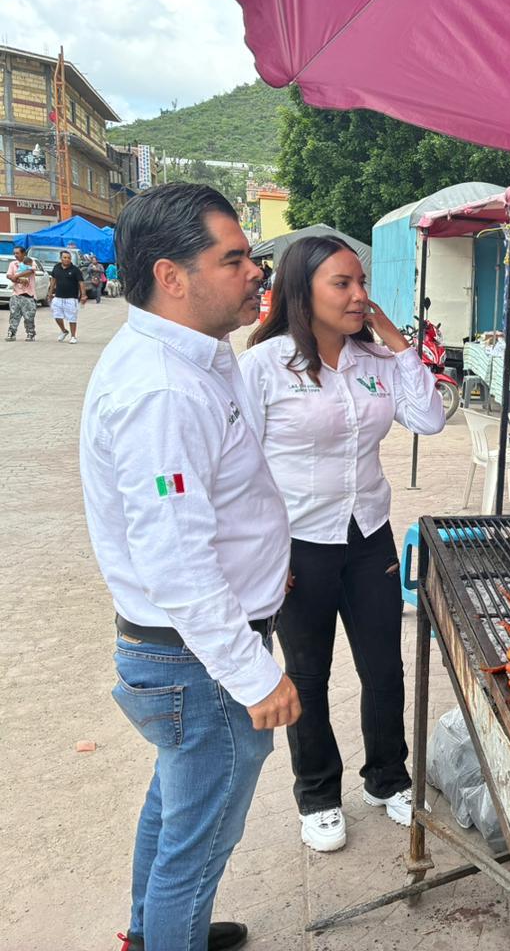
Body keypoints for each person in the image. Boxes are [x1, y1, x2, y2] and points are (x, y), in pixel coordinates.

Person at [80, 183, 300, 951]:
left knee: (175, 807)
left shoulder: (192, 356)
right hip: (196, 659)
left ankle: (154, 935)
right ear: (171, 276)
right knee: (198, 842)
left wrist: (266, 567)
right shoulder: (163, 389)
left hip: (189, 647)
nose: (254, 271)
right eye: (233, 259)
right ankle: (172, 933)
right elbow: (174, 560)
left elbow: (217, 502)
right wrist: (253, 675)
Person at [241, 235, 447, 853]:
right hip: (297, 543)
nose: (359, 295)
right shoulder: (265, 366)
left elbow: (430, 419)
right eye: (342, 284)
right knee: (308, 674)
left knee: (384, 666)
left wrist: (399, 343)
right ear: (302, 292)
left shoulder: (376, 361)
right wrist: (261, 555)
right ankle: (318, 795)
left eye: (363, 283)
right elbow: (240, 469)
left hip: (368, 533)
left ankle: (388, 778)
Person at [48, 250, 86, 343]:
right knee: (57, 316)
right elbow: (53, 280)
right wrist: (50, 293)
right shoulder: (56, 267)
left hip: (71, 298)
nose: (67, 259)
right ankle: (64, 331)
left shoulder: (75, 270)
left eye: (69, 258)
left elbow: (81, 282)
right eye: (65, 258)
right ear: (60, 258)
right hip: (58, 297)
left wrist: (83, 295)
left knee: (72, 318)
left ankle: (73, 336)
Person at [6, 244, 38, 341]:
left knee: (29, 317)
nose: (15, 255)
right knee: (14, 315)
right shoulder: (13, 264)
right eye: (14, 253)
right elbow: (9, 275)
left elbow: (30, 271)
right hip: (16, 294)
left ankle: (30, 333)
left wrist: (16, 276)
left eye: (17, 253)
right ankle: (11, 333)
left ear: (24, 253)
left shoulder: (30, 261)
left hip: (28, 295)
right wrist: (15, 279)